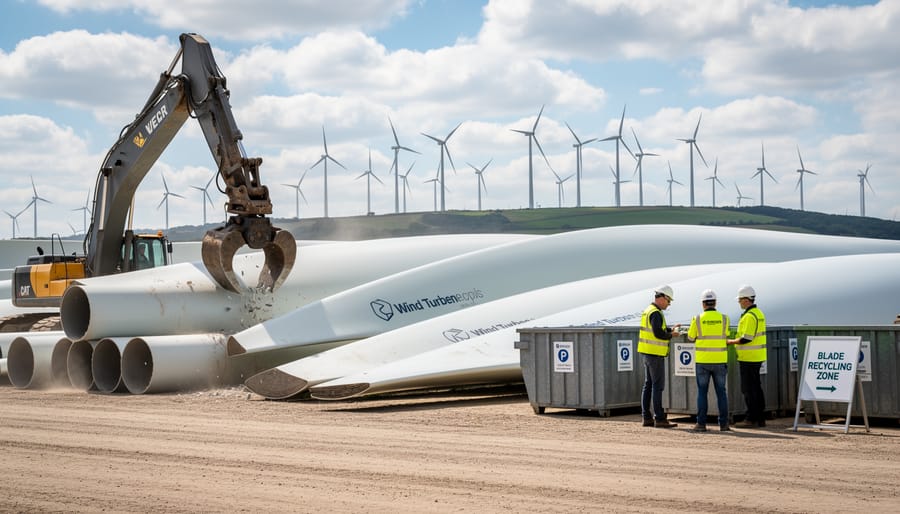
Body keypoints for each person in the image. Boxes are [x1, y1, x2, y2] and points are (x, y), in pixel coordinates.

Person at [638, 285, 682, 428]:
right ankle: (659, 418)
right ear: (662, 298)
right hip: (655, 354)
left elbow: (655, 329)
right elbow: (658, 333)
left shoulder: (648, 310)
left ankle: (646, 417)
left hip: (647, 352)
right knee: (657, 386)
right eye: (668, 301)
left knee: (648, 385)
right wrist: (671, 335)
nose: (669, 304)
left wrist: (670, 329)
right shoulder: (656, 313)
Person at [687, 289, 730, 432]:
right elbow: (726, 335)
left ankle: (701, 424)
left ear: (703, 303)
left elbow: (690, 337)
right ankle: (724, 424)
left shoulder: (697, 319)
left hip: (703, 361)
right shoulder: (725, 318)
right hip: (720, 360)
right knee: (721, 393)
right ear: (715, 303)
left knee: (702, 392)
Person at [727, 285, 767, 428]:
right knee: (756, 387)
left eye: (740, 300)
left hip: (748, 357)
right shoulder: (758, 313)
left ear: (746, 300)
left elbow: (746, 338)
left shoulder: (749, 316)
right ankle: (760, 418)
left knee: (748, 389)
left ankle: (751, 418)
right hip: (756, 356)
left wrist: (731, 342)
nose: (739, 302)